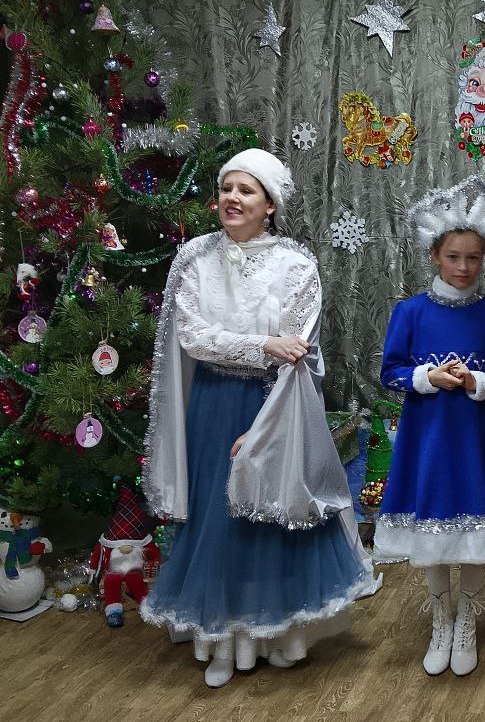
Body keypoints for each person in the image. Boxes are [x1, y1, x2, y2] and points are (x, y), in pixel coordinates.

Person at [141, 148, 375, 687]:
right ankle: (223, 641)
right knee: (218, 520)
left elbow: (298, 351)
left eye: (245, 190)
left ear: (270, 204)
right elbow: (193, 337)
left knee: (269, 521)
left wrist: (265, 422)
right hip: (213, 406)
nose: (232, 198)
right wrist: (263, 344)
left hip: (273, 403)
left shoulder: (295, 265)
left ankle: (276, 637)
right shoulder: (195, 259)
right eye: (226, 188)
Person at [376, 175, 485, 676]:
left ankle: (467, 620)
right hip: (428, 438)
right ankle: (440, 620)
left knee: (475, 526)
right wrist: (427, 377)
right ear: (434, 255)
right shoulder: (409, 312)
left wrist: (477, 381)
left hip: (478, 439)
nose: (463, 267)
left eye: (473, 258)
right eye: (453, 257)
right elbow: (390, 372)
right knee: (435, 526)